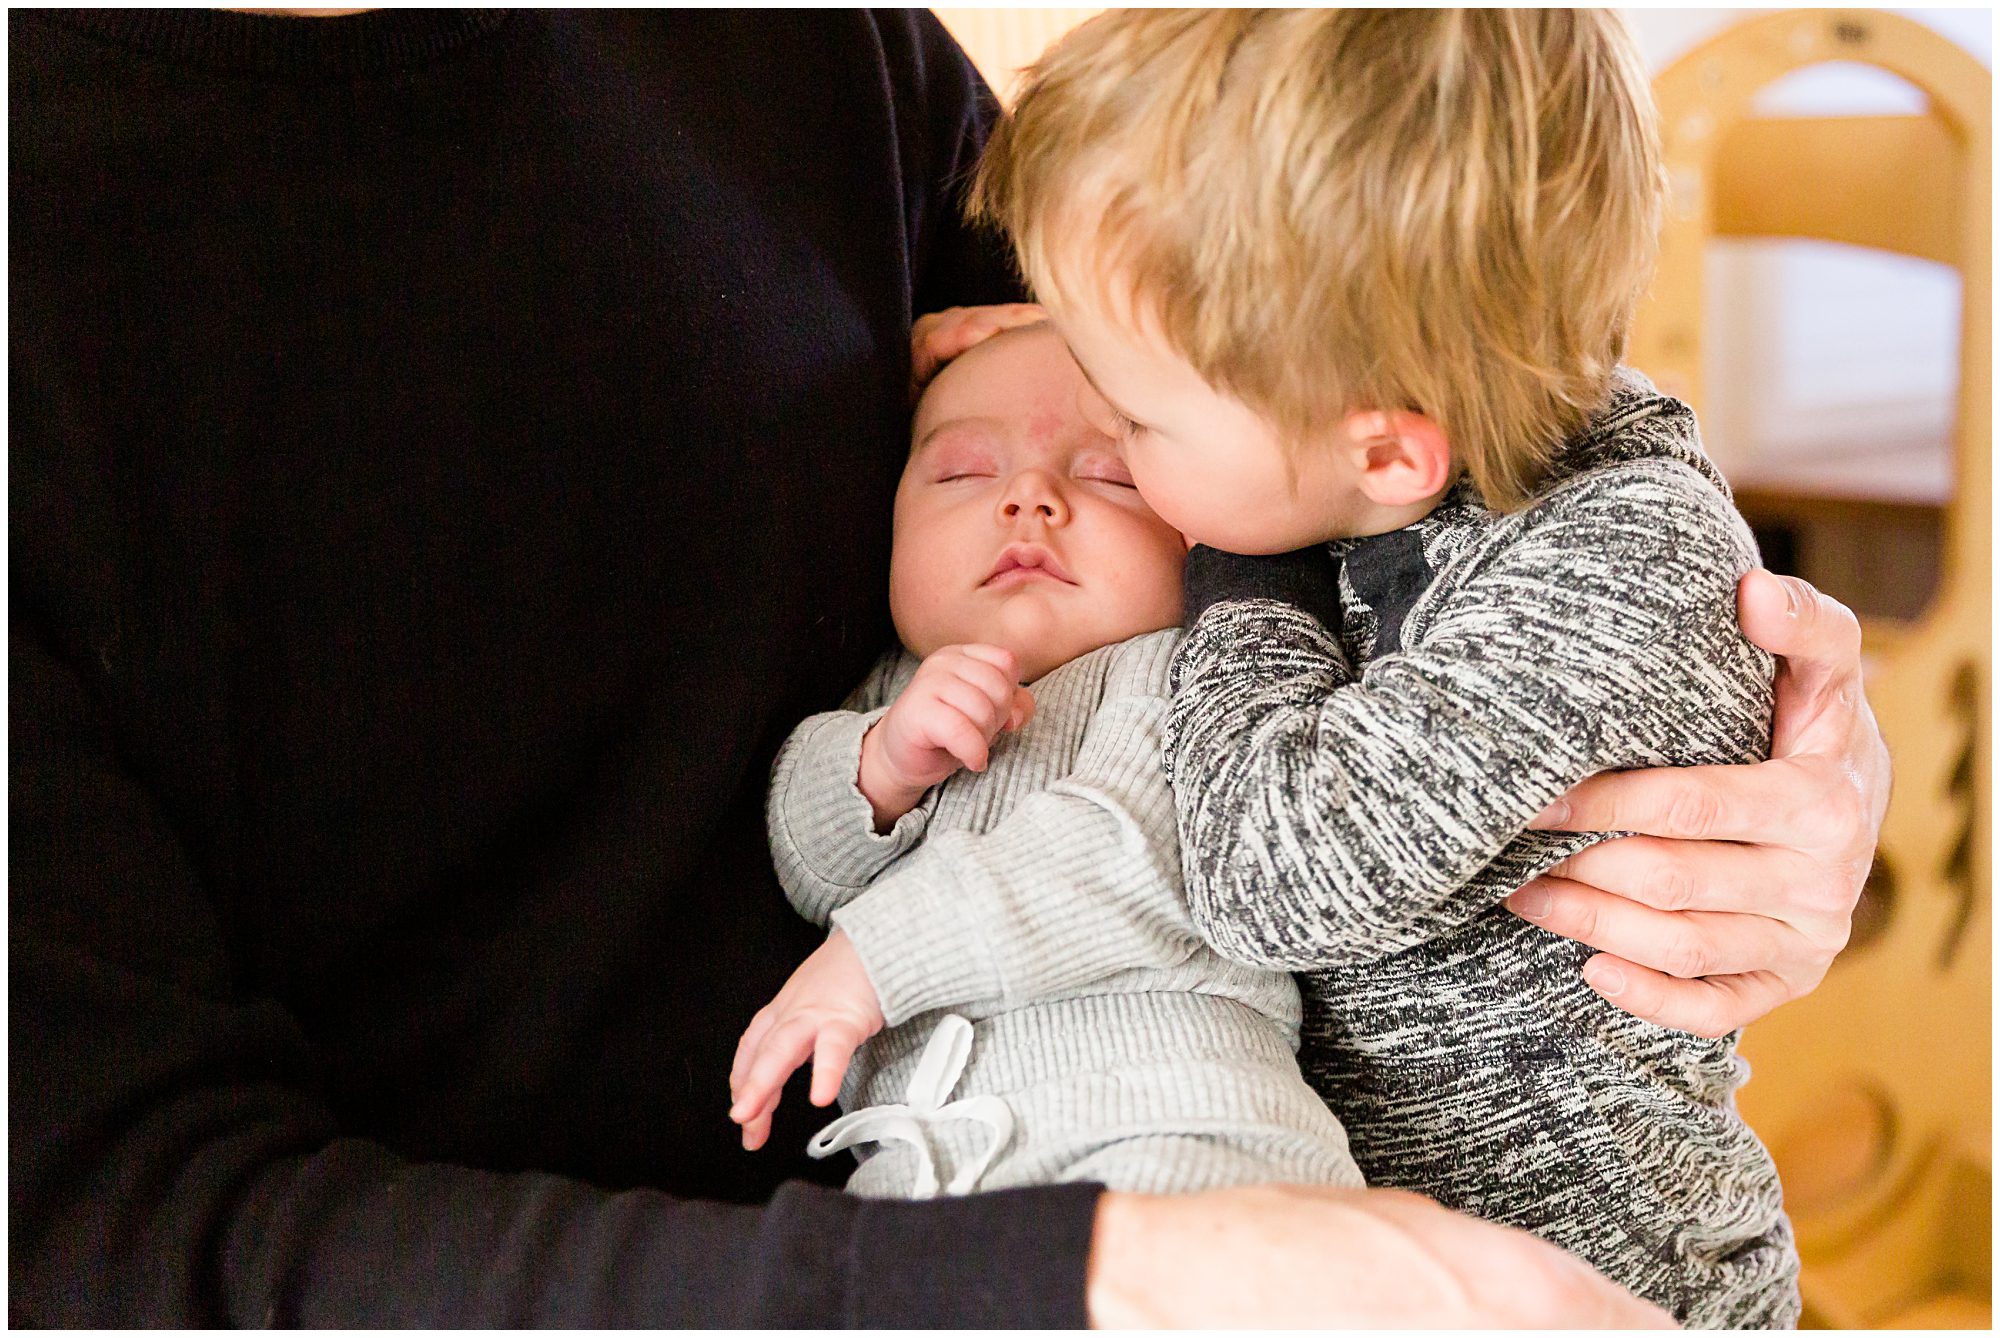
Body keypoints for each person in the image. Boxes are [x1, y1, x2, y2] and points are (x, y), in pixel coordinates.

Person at [9, 8, 1886, 1328]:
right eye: (967, 462)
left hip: (1268, 1195)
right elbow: (95, 1233)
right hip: (1021, 1236)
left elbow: (1301, 404)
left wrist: (1727, 767)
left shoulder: (803, 45)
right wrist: (1041, 1284)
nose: (1056, 492)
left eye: (1105, 446)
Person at [972, 10, 1799, 1325]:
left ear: (1387, 456)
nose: (1110, 440)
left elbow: (1261, 872)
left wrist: (1241, 570)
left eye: (1137, 415)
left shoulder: (1613, 567)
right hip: (1382, 1246)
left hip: (1594, 1282)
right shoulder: (1424, 422)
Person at [729, 321, 1364, 1200]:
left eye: (1107, 475)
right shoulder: (892, 689)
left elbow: (1123, 856)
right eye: (960, 473)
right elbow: (807, 866)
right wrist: (880, 768)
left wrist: (878, 959)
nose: (1029, 497)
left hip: (1180, 1127)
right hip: (925, 1168)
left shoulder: (1185, 669)